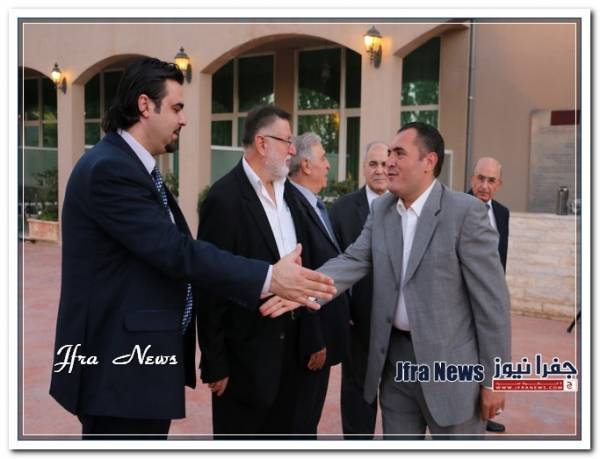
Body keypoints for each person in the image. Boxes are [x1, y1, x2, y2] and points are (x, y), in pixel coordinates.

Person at [49, 59, 334, 440]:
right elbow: (176, 251)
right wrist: (269, 276)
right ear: (145, 105)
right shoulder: (110, 169)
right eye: (177, 108)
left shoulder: (133, 168)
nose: (183, 120)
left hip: (137, 369)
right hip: (118, 372)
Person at [261, 122, 511, 439]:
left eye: (399, 154)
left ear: (429, 161)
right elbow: (351, 261)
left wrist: (495, 379)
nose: (389, 162)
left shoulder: (465, 213)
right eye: (389, 153)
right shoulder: (382, 210)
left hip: (453, 373)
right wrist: (300, 288)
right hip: (396, 368)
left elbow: (492, 304)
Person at [196, 105, 320, 438]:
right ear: (262, 143)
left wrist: (313, 337)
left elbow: (307, 267)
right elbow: (210, 284)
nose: (293, 150)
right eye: (287, 141)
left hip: (294, 358)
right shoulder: (223, 199)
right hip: (246, 363)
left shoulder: (292, 196)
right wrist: (215, 362)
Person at [287, 133, 351, 437]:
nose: (328, 165)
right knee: (300, 424)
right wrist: (314, 339)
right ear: (306, 165)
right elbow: (303, 275)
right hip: (310, 341)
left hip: (324, 331)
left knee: (308, 421)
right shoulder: (293, 205)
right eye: (323, 158)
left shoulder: (315, 204)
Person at [329, 141, 389, 439]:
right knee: (357, 395)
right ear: (363, 168)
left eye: (384, 164)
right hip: (357, 322)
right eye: (373, 164)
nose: (379, 170)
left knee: (398, 396)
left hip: (397, 325)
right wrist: (343, 312)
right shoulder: (341, 209)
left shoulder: (405, 205)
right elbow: (334, 261)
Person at [469, 156, 510, 433]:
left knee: (492, 356)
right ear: (472, 179)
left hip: (492, 302)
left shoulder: (502, 213)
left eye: (491, 180)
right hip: (464, 304)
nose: (484, 186)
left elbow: (500, 259)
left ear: (499, 184)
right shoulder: (456, 207)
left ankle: (486, 414)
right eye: (480, 179)